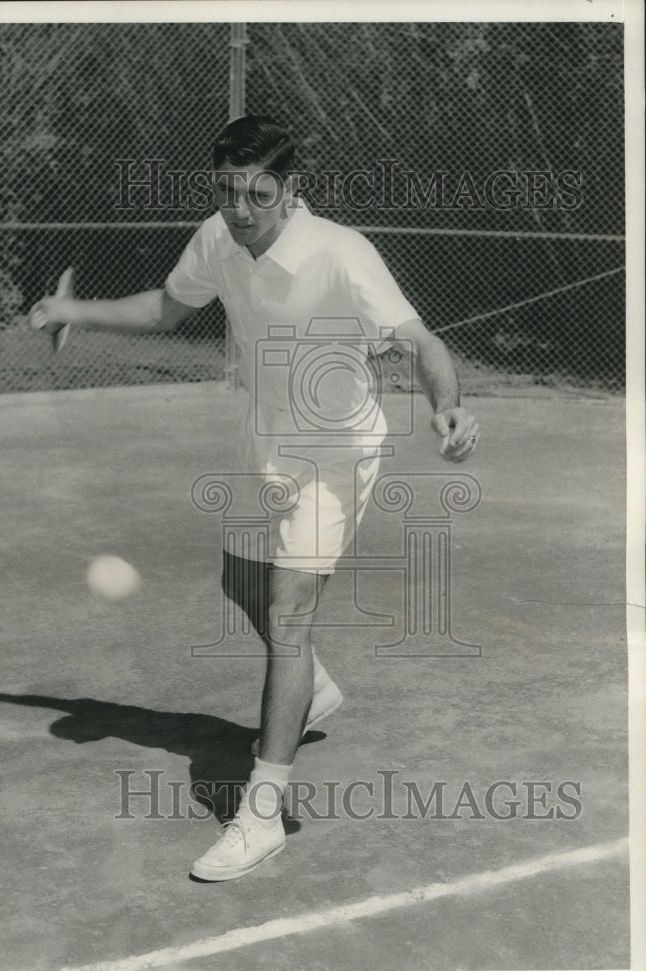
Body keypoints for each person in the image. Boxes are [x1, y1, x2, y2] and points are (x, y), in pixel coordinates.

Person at [30, 114, 480, 881]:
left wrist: (448, 405)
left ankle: (262, 814)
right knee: (239, 581)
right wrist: (75, 311)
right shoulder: (217, 237)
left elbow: (424, 342)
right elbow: (168, 307)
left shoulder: (340, 253)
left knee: (286, 616)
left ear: (291, 190)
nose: (241, 209)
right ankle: (313, 687)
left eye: (257, 194)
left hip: (337, 455)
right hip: (264, 439)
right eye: (228, 191)